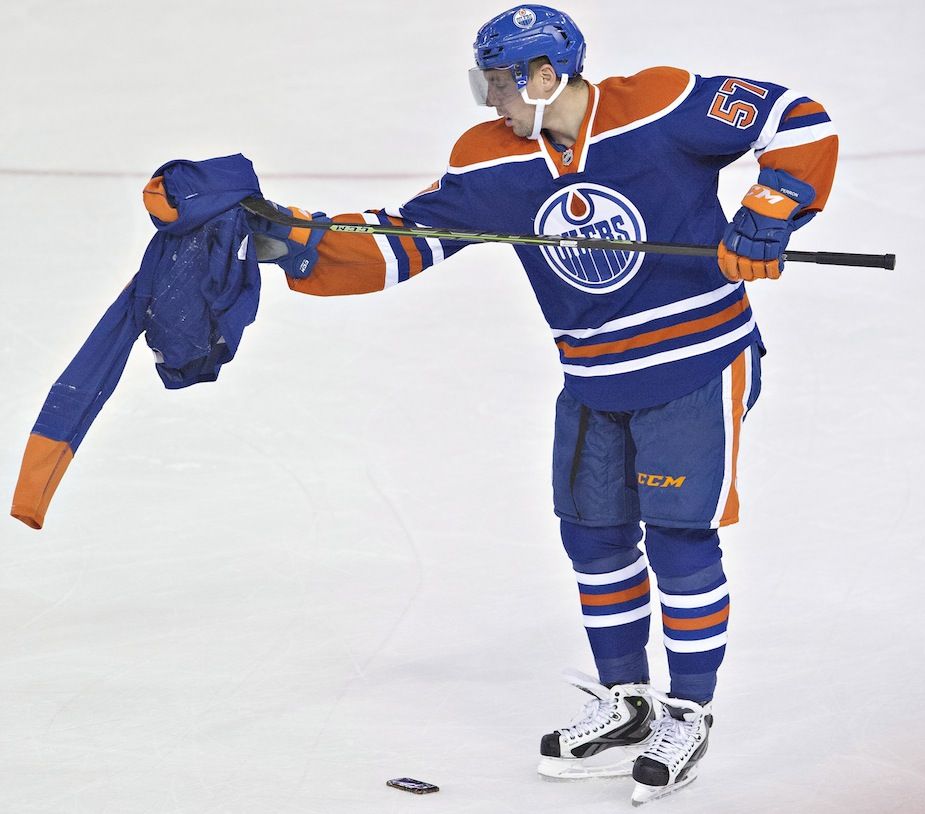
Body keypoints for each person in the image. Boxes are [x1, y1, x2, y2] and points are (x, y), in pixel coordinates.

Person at [250, 5, 838, 805]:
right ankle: (628, 702)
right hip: (595, 380)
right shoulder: (489, 160)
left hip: (697, 365)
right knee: (593, 538)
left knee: (677, 538)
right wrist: (295, 242)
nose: (489, 101)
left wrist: (772, 208)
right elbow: (406, 239)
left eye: (497, 83)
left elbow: (795, 118)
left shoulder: (661, 104)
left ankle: (689, 709)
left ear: (543, 74)